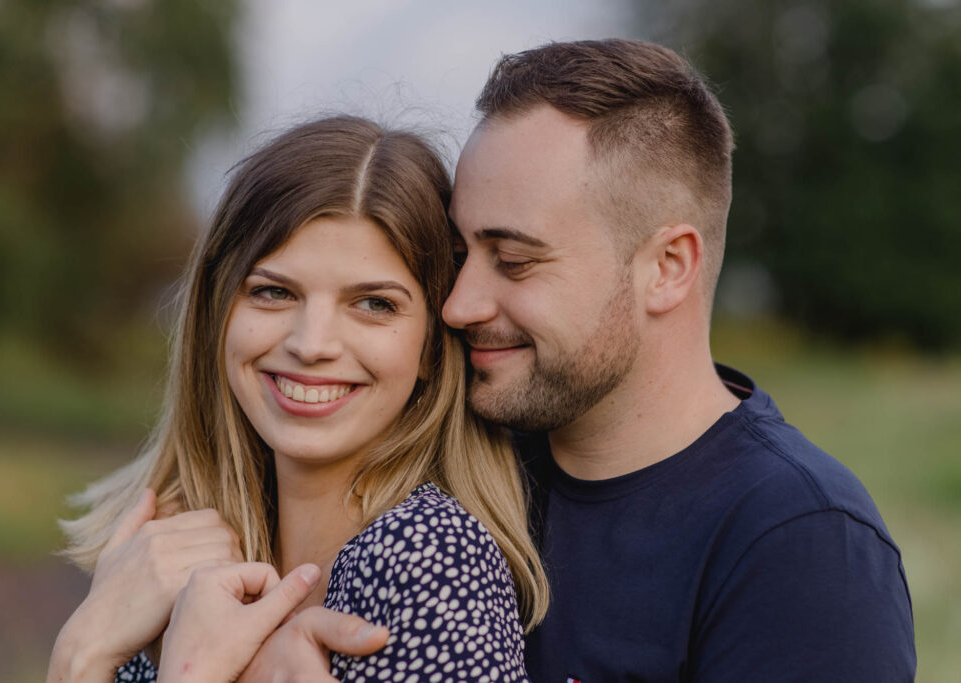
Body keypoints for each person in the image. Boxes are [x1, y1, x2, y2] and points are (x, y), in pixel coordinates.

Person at [237, 40, 917, 682]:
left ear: (667, 267)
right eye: (459, 256)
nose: (459, 304)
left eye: (514, 260)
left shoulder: (802, 545)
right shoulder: (464, 464)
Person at [46, 115, 549, 683]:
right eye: (273, 292)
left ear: (433, 346)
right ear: (217, 318)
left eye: (374, 304)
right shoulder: (173, 559)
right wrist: (85, 649)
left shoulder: (428, 559)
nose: (311, 345)